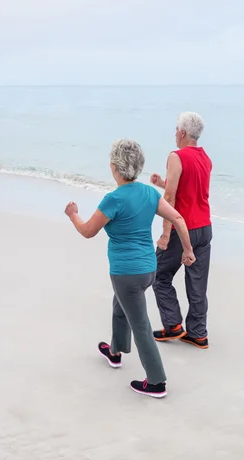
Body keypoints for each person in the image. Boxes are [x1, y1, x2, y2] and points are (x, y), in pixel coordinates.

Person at [64, 139, 196, 399]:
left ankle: (157, 382)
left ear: (114, 167)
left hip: (126, 272)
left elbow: (88, 231)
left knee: (141, 324)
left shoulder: (113, 199)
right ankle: (115, 351)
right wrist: (188, 250)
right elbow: (178, 218)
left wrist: (73, 214)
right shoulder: (149, 193)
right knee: (120, 307)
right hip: (148, 269)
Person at [151, 112, 212, 349]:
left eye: (176, 129)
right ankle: (198, 333)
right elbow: (190, 190)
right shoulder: (205, 157)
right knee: (197, 283)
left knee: (159, 275)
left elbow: (171, 197)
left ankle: (173, 325)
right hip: (204, 228)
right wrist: (162, 183)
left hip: (182, 228)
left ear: (183, 133)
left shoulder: (176, 156)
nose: (175, 133)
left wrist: (166, 234)